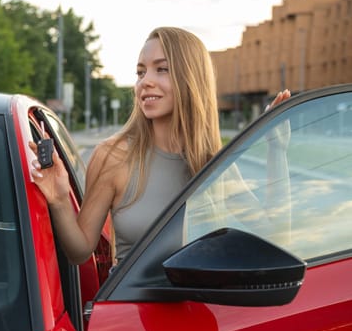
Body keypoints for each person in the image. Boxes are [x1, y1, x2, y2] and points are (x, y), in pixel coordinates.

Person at [29, 26, 291, 266]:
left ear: (191, 78)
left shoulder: (214, 163)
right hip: (132, 313)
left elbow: (275, 231)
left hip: (202, 313)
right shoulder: (113, 155)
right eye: (140, 72)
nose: (145, 82)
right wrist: (59, 198)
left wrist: (276, 151)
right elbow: (80, 250)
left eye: (161, 69)